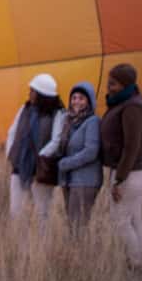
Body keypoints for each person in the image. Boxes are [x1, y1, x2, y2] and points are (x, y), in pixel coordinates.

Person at [101, 63, 142, 268]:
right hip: (133, 169)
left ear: (125, 84)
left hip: (131, 171)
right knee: (134, 216)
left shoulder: (132, 107)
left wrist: (119, 180)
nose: (108, 86)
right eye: (109, 81)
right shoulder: (124, 102)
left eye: (113, 83)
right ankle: (137, 257)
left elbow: (131, 146)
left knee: (119, 219)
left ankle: (135, 262)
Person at [5, 73, 65, 223]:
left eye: (33, 91)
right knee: (16, 212)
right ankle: (22, 246)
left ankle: (41, 246)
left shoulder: (57, 114)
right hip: (20, 167)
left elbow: (56, 140)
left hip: (42, 170)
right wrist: (11, 154)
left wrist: (40, 157)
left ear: (42, 94)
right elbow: (12, 131)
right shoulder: (24, 109)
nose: (30, 93)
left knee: (41, 213)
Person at [57, 81, 102, 228]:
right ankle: (77, 250)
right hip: (70, 180)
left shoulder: (92, 121)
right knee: (73, 224)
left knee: (78, 227)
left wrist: (65, 163)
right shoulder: (68, 122)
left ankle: (81, 251)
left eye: (81, 98)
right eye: (74, 98)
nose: (76, 101)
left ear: (89, 102)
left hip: (85, 180)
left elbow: (91, 152)